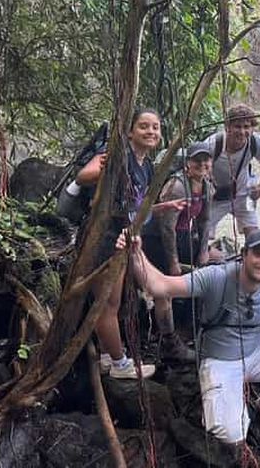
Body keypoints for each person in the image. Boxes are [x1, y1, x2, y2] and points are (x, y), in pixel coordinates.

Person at [118, 228, 260, 449]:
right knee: (230, 435)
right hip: (220, 360)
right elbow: (160, 285)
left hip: (259, 351)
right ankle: (229, 399)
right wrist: (135, 253)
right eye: (257, 254)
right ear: (244, 254)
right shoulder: (216, 277)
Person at [76, 108, 186, 378]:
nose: (151, 132)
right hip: (105, 239)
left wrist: (163, 206)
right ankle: (120, 364)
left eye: (155, 127)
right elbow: (83, 176)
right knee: (107, 304)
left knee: (112, 303)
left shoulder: (146, 165)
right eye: (144, 126)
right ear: (130, 132)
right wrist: (109, 169)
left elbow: (138, 207)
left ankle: (104, 356)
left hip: (123, 238)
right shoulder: (119, 155)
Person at [143, 142, 214, 363]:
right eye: (197, 161)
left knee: (201, 274)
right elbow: (166, 228)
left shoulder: (207, 188)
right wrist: (173, 262)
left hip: (183, 235)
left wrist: (203, 251)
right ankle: (168, 340)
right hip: (156, 238)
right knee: (166, 287)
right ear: (187, 165)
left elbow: (204, 221)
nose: (202, 164)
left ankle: (190, 329)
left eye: (206, 160)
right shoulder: (177, 187)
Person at [201, 104, 260, 238]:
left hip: (244, 195)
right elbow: (198, 168)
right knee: (203, 236)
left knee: (253, 235)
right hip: (215, 196)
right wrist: (207, 182)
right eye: (237, 126)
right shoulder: (212, 144)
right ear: (228, 127)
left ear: (252, 128)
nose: (242, 131)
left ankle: (250, 257)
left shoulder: (256, 143)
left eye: (246, 127)